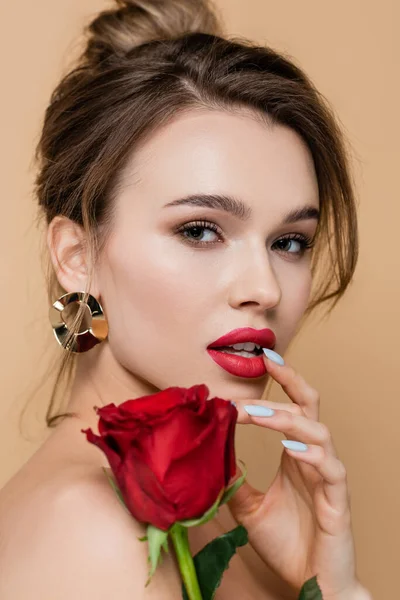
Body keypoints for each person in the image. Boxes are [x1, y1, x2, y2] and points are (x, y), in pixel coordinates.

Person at [0, 0, 373, 598]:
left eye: (290, 241)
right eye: (201, 230)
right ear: (78, 256)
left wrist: (328, 584)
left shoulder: (226, 510)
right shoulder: (95, 531)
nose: (265, 289)